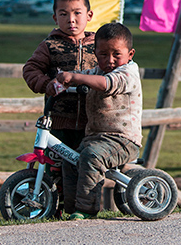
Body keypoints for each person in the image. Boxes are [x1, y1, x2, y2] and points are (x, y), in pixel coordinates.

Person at [21, 0, 96, 216]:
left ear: (89, 15)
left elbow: (115, 71)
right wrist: (47, 84)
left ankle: (83, 212)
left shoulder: (99, 46)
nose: (71, 20)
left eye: (77, 13)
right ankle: (50, 213)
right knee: (55, 171)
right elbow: (31, 69)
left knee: (87, 171)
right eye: (63, 14)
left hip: (91, 122)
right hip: (58, 123)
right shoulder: (50, 46)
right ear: (55, 17)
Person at [56, 23, 142, 220]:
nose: (109, 60)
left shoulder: (128, 73)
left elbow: (107, 85)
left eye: (116, 55)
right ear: (95, 53)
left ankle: (87, 208)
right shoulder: (97, 72)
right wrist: (60, 81)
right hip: (96, 138)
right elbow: (86, 77)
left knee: (92, 158)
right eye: (103, 55)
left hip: (123, 140)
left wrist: (75, 77)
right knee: (70, 158)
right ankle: (72, 207)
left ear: (130, 54)